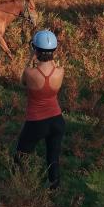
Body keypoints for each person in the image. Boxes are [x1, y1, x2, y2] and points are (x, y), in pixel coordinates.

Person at [16, 29, 65, 190]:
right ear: (54, 51)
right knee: (53, 158)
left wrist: (30, 56)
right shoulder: (60, 71)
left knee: (21, 157)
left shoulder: (30, 73)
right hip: (57, 119)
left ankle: (22, 188)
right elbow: (53, 65)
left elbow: (21, 81)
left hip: (36, 122)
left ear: (35, 49)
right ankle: (54, 190)